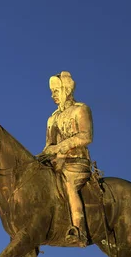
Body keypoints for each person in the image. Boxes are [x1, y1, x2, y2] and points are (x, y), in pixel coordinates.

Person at [39, 71, 93, 247]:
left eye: (56, 91)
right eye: (52, 91)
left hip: (76, 163)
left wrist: (60, 147)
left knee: (69, 184)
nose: (52, 95)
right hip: (56, 163)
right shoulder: (52, 118)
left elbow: (86, 136)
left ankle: (78, 229)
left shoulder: (81, 109)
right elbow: (49, 145)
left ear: (66, 90)